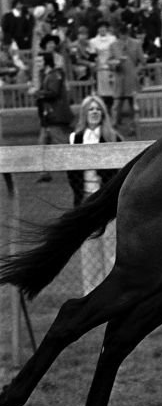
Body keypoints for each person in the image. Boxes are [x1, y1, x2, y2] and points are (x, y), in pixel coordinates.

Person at [67, 95, 122, 294]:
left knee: (110, 244)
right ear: (84, 114)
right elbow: (71, 173)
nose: (94, 112)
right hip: (85, 200)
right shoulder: (75, 138)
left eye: (98, 109)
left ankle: (111, 290)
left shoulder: (112, 136)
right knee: (89, 246)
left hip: (107, 200)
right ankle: (90, 291)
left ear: (103, 113)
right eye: (90, 109)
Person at [31, 52, 74, 183]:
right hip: (48, 117)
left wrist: (36, 93)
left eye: (40, 61)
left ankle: (77, 166)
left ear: (46, 61)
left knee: (62, 143)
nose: (38, 64)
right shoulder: (48, 75)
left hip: (55, 116)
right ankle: (44, 172)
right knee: (42, 143)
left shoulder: (54, 75)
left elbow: (53, 93)